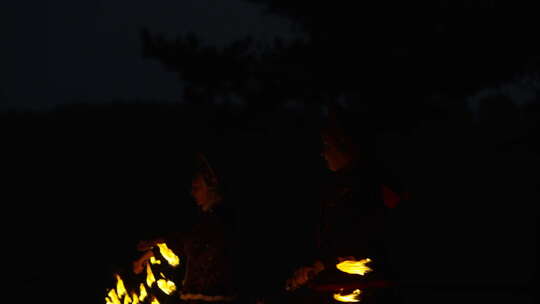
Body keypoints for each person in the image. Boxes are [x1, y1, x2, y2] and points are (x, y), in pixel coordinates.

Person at [284, 105, 407, 303]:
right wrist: (317, 267)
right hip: (339, 288)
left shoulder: (372, 188)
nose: (323, 154)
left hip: (365, 291)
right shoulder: (336, 191)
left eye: (327, 145)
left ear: (344, 145)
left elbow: (371, 239)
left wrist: (325, 264)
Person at [133, 153, 242, 303]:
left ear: (211, 188)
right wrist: (148, 254)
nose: (192, 193)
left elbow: (188, 241)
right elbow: (181, 243)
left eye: (197, 187)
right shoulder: (203, 222)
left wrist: (158, 241)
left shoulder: (223, 221)